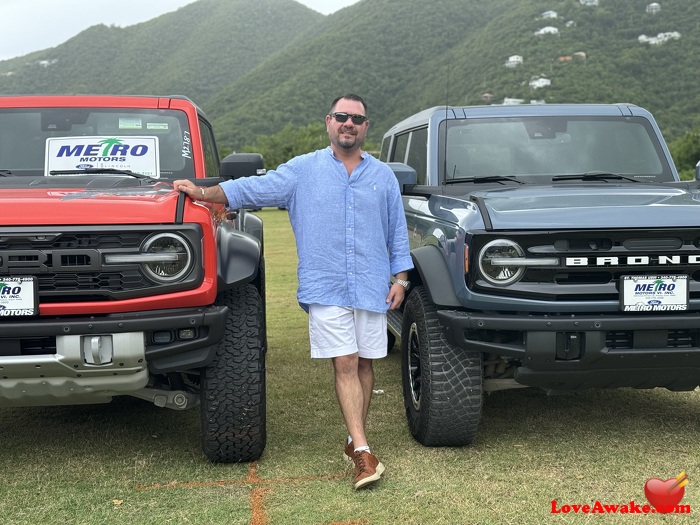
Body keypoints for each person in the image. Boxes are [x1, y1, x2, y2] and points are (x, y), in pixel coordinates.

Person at [174, 94, 413, 490]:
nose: (348, 123)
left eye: (356, 118)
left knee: (367, 364)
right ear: (328, 122)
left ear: (366, 126)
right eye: (342, 117)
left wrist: (401, 279)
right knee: (346, 362)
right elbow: (253, 188)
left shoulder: (383, 176)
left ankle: (354, 438)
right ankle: (364, 454)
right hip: (327, 285)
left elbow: (397, 232)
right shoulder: (303, 171)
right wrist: (204, 193)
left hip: (373, 286)